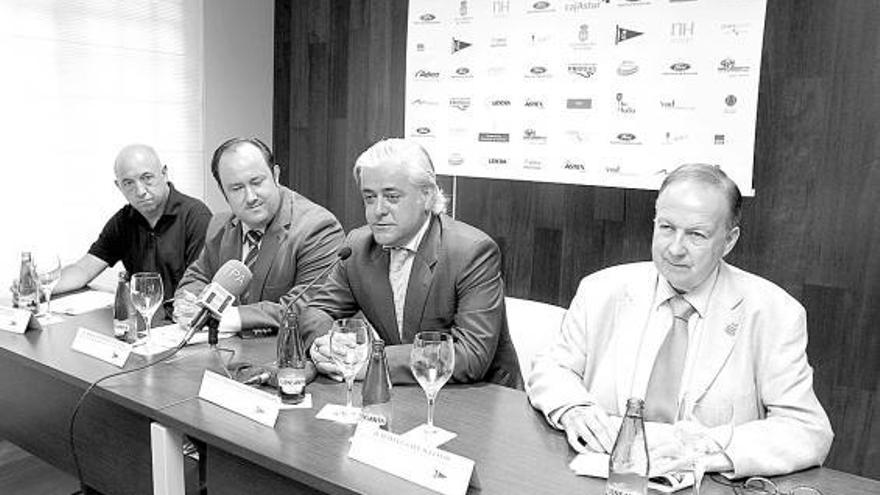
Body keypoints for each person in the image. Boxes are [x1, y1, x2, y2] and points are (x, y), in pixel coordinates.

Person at [527, 164, 833, 478]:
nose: (675, 248)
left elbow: (807, 430)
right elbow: (552, 368)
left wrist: (704, 446)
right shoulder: (602, 289)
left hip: (705, 483)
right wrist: (573, 407)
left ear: (729, 241)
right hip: (604, 476)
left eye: (696, 235)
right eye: (666, 228)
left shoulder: (773, 313)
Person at [299, 138, 522, 389]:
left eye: (392, 197)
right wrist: (330, 345)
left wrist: (371, 359)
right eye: (369, 198)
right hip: (407, 391)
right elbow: (316, 312)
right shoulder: (358, 246)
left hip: (477, 399)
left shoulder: (472, 252)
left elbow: (470, 355)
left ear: (427, 196)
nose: (377, 210)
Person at [11, 144, 211, 312]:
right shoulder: (124, 220)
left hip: (182, 322)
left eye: (147, 178)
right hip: (140, 323)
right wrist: (39, 286)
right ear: (119, 186)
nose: (140, 191)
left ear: (164, 173)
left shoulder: (195, 216)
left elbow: (199, 284)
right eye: (128, 183)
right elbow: (83, 269)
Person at [174, 137, 344, 334]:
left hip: (284, 356)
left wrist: (228, 317)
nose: (251, 197)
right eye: (237, 188)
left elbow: (308, 306)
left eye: (256, 182)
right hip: (227, 353)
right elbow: (197, 277)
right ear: (223, 192)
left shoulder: (317, 228)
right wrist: (188, 305)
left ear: (276, 175)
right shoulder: (220, 225)